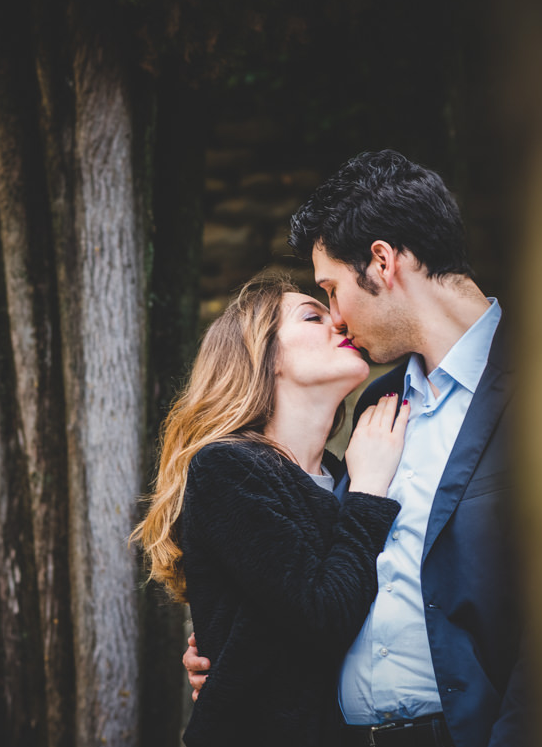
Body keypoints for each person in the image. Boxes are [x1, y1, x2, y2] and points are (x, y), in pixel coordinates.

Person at [183, 150, 527, 747]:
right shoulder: (379, 411)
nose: (338, 319)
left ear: (383, 262)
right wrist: (233, 649)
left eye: (331, 292)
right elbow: (316, 583)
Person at [133, 274, 412, 747]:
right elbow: (323, 614)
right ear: (265, 356)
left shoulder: (339, 472)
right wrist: (368, 492)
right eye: (313, 316)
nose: (338, 321)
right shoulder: (225, 467)